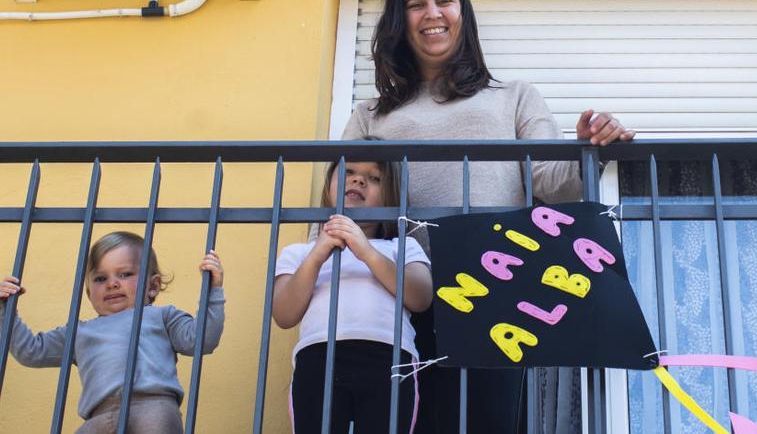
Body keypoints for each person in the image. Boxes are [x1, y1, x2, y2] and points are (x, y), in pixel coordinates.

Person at [341, 0, 636, 433]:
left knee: (488, 422)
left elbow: (551, 181)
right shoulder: (369, 115)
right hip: (394, 293)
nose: (431, 13)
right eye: (416, 5)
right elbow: (345, 197)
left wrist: (591, 150)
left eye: (444, 0)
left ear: (463, 13)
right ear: (401, 21)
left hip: (490, 291)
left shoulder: (514, 96)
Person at [0, 231, 225, 434]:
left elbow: (201, 340)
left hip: (152, 407)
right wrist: (4, 310)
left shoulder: (163, 316)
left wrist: (213, 291)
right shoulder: (79, 331)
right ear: (89, 293)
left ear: (153, 286)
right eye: (100, 278)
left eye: (125, 274)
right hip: (98, 417)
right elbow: (31, 351)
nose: (112, 284)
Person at [273, 158, 433, 434]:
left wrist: (366, 251)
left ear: (390, 198)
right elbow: (284, 314)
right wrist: (317, 256)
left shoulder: (402, 246)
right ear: (328, 186)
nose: (359, 180)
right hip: (319, 357)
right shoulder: (299, 252)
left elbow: (420, 297)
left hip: (390, 359)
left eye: (375, 178)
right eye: (349, 172)